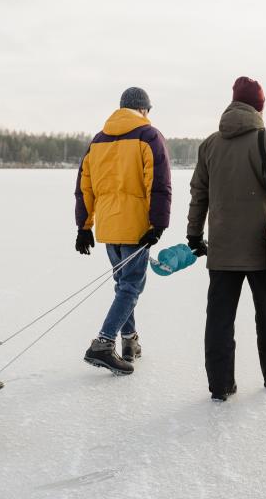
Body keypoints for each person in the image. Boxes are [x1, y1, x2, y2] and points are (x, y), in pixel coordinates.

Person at [186, 77, 266, 400]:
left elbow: (199, 194)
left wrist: (194, 233)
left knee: (219, 318)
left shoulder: (209, 144)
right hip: (262, 246)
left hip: (221, 247)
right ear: (259, 106)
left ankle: (220, 385)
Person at [75, 87, 172, 375]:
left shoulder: (98, 140)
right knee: (130, 287)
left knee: (123, 286)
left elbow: (84, 187)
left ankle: (130, 342)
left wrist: (84, 226)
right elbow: (159, 183)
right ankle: (103, 343)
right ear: (142, 109)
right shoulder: (148, 136)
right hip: (136, 228)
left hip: (109, 227)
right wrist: (157, 225)